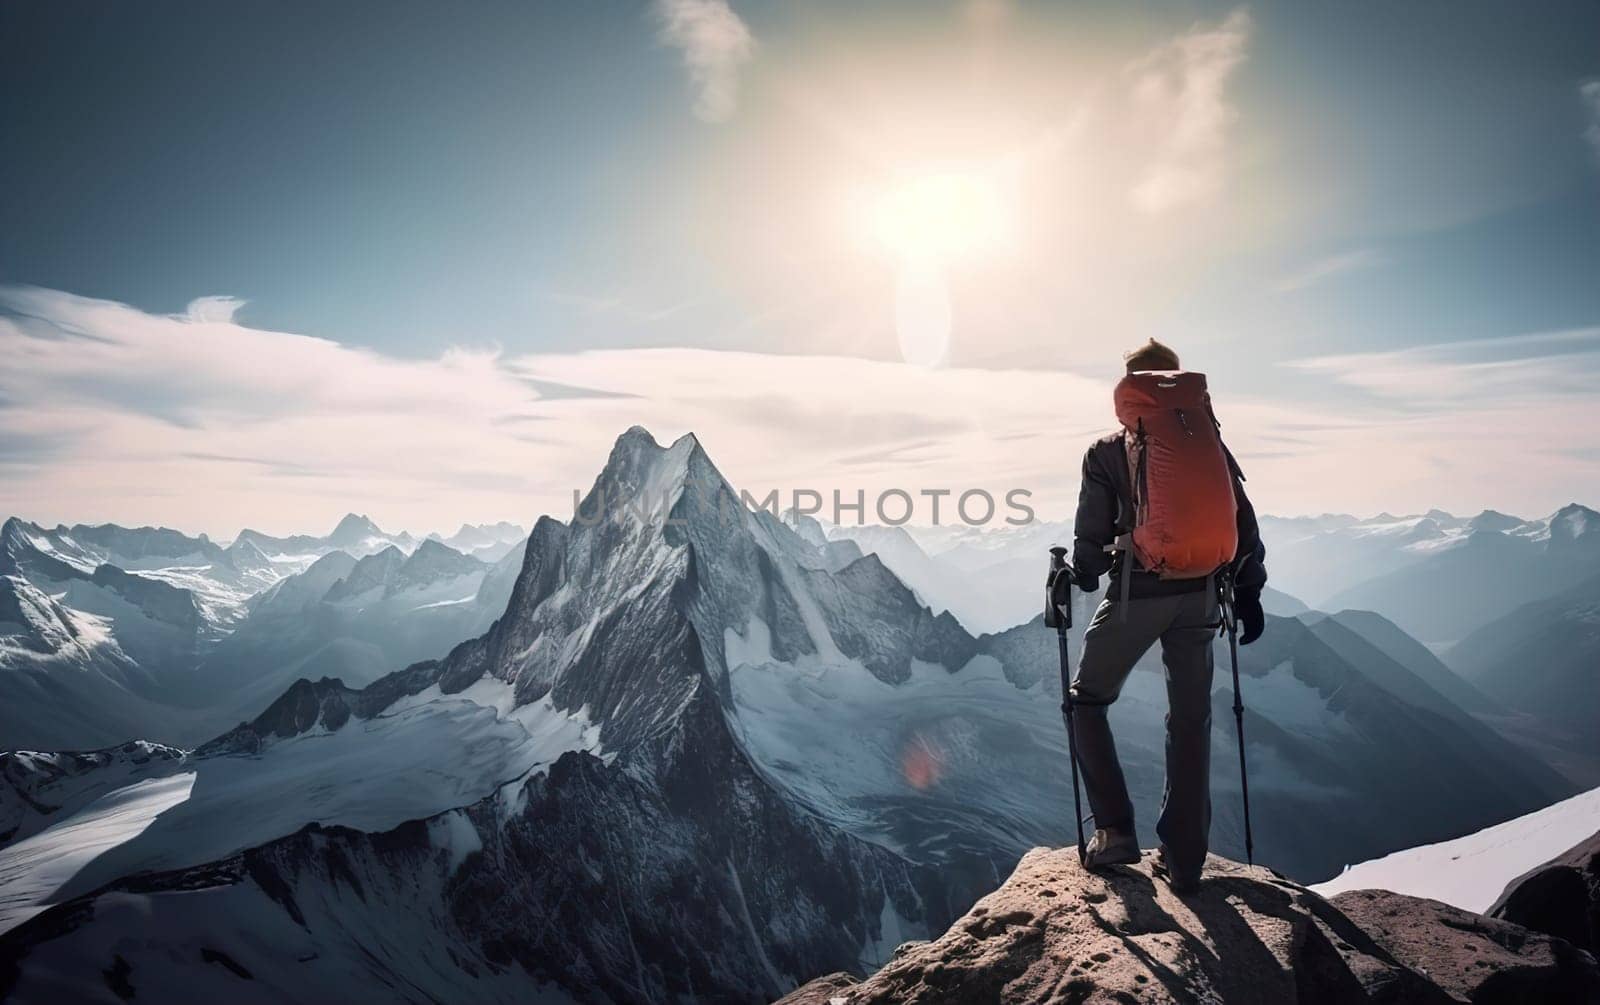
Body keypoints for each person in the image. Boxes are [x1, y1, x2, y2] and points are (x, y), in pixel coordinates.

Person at [1068, 337, 1267, 893]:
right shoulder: (1210, 446)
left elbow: (1091, 534)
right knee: (1190, 721)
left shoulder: (1108, 451)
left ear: (1131, 388)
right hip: (1203, 595)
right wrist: (1249, 591)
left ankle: (1115, 832)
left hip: (1139, 594)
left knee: (1085, 701)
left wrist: (1083, 573)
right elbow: (1242, 521)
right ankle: (1184, 860)